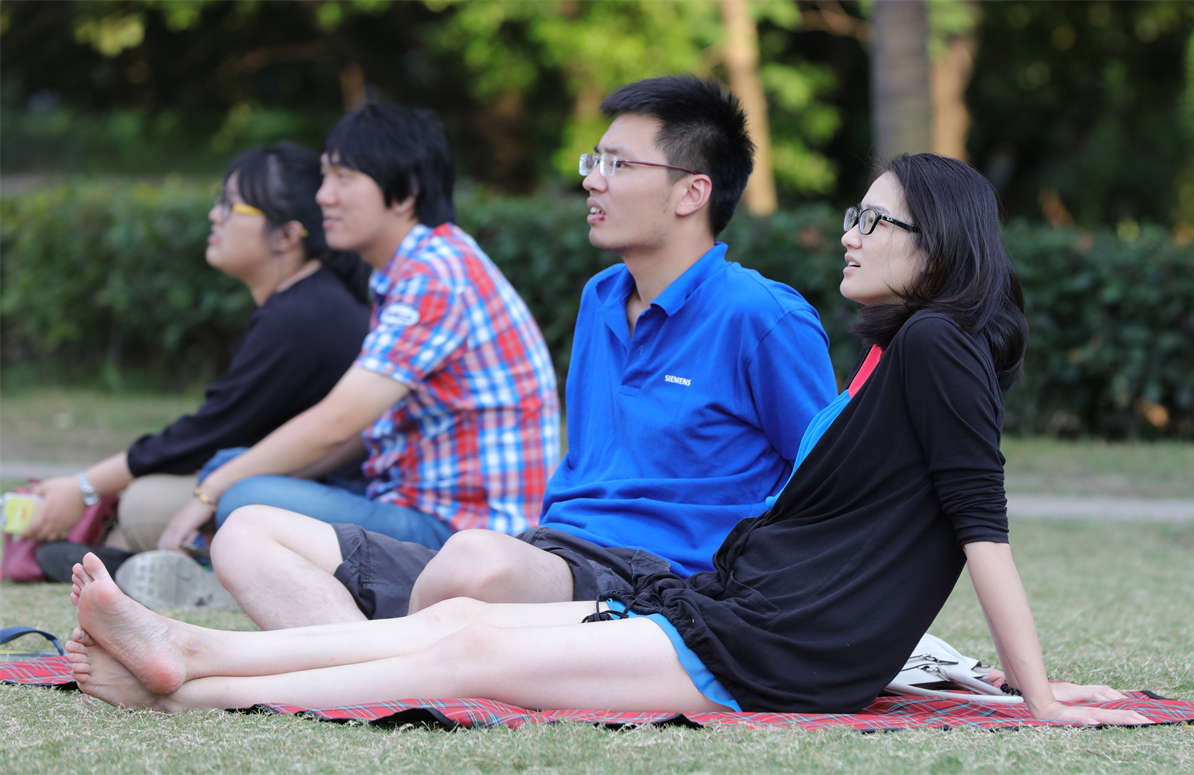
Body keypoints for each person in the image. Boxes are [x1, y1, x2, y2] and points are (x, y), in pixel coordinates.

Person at [65, 153, 1150, 725]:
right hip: (735, 609)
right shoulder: (902, 352)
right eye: (855, 215)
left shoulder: (938, 350)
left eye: (877, 222)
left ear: (941, 242)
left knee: (471, 648)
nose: (850, 236)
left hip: (774, 650)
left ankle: (191, 662)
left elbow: (981, 528)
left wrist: (1039, 697)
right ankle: (186, 658)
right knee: (464, 631)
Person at [209, 75, 837, 628]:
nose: (591, 179)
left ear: (691, 192)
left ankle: (374, 657)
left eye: (618, 165)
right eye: (596, 160)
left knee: (474, 564)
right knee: (248, 533)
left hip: (659, 586)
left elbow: (830, 480)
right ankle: (380, 663)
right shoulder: (602, 298)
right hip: (548, 556)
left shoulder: (761, 316)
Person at [154, 103, 560, 559]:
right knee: (235, 472)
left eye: (343, 178)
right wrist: (227, 479)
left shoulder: (433, 276)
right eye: (325, 177)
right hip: (414, 506)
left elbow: (337, 422)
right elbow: (355, 433)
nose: (324, 196)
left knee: (241, 496)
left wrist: (213, 493)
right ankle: (223, 562)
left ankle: (219, 569)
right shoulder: (414, 267)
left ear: (404, 194)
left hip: (466, 538)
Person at [24, 142, 372, 581]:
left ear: (286, 236)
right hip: (295, 483)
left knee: (145, 504)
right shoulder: (302, 303)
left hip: (332, 497)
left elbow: (210, 431)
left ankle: (188, 570)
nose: (215, 216)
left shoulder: (305, 315)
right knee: (146, 498)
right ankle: (132, 564)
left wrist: (86, 486)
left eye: (233, 206)